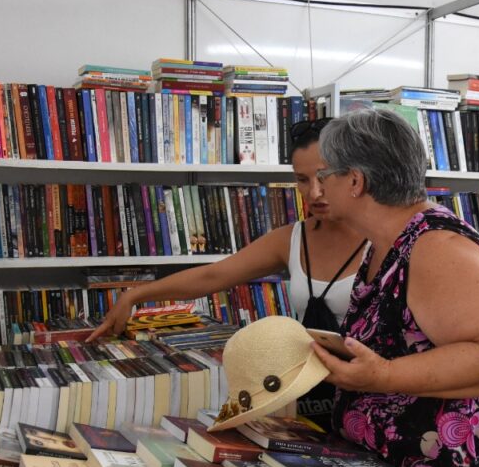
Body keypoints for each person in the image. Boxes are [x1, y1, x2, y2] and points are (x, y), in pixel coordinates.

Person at [309, 109, 479, 467]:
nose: (320, 185)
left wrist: (380, 376)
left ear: (356, 181)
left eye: (326, 173)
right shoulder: (389, 243)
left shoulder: (435, 246)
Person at [88, 119, 366, 425]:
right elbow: (215, 276)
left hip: (369, 396)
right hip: (306, 394)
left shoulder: (382, 236)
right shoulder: (292, 237)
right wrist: (137, 294)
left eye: (324, 176)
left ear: (352, 173)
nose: (314, 193)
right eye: (302, 180)